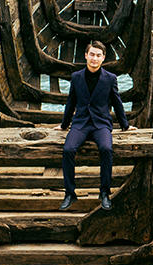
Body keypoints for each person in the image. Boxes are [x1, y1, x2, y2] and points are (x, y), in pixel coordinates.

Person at [56, 41, 135, 211]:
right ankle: (70, 193)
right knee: (68, 149)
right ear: (86, 55)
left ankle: (104, 192)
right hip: (81, 123)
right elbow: (71, 102)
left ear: (103, 58)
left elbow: (117, 102)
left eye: (98, 55)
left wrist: (125, 126)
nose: (94, 58)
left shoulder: (110, 78)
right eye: (92, 54)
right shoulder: (76, 77)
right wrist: (64, 125)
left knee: (106, 149)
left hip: (101, 124)